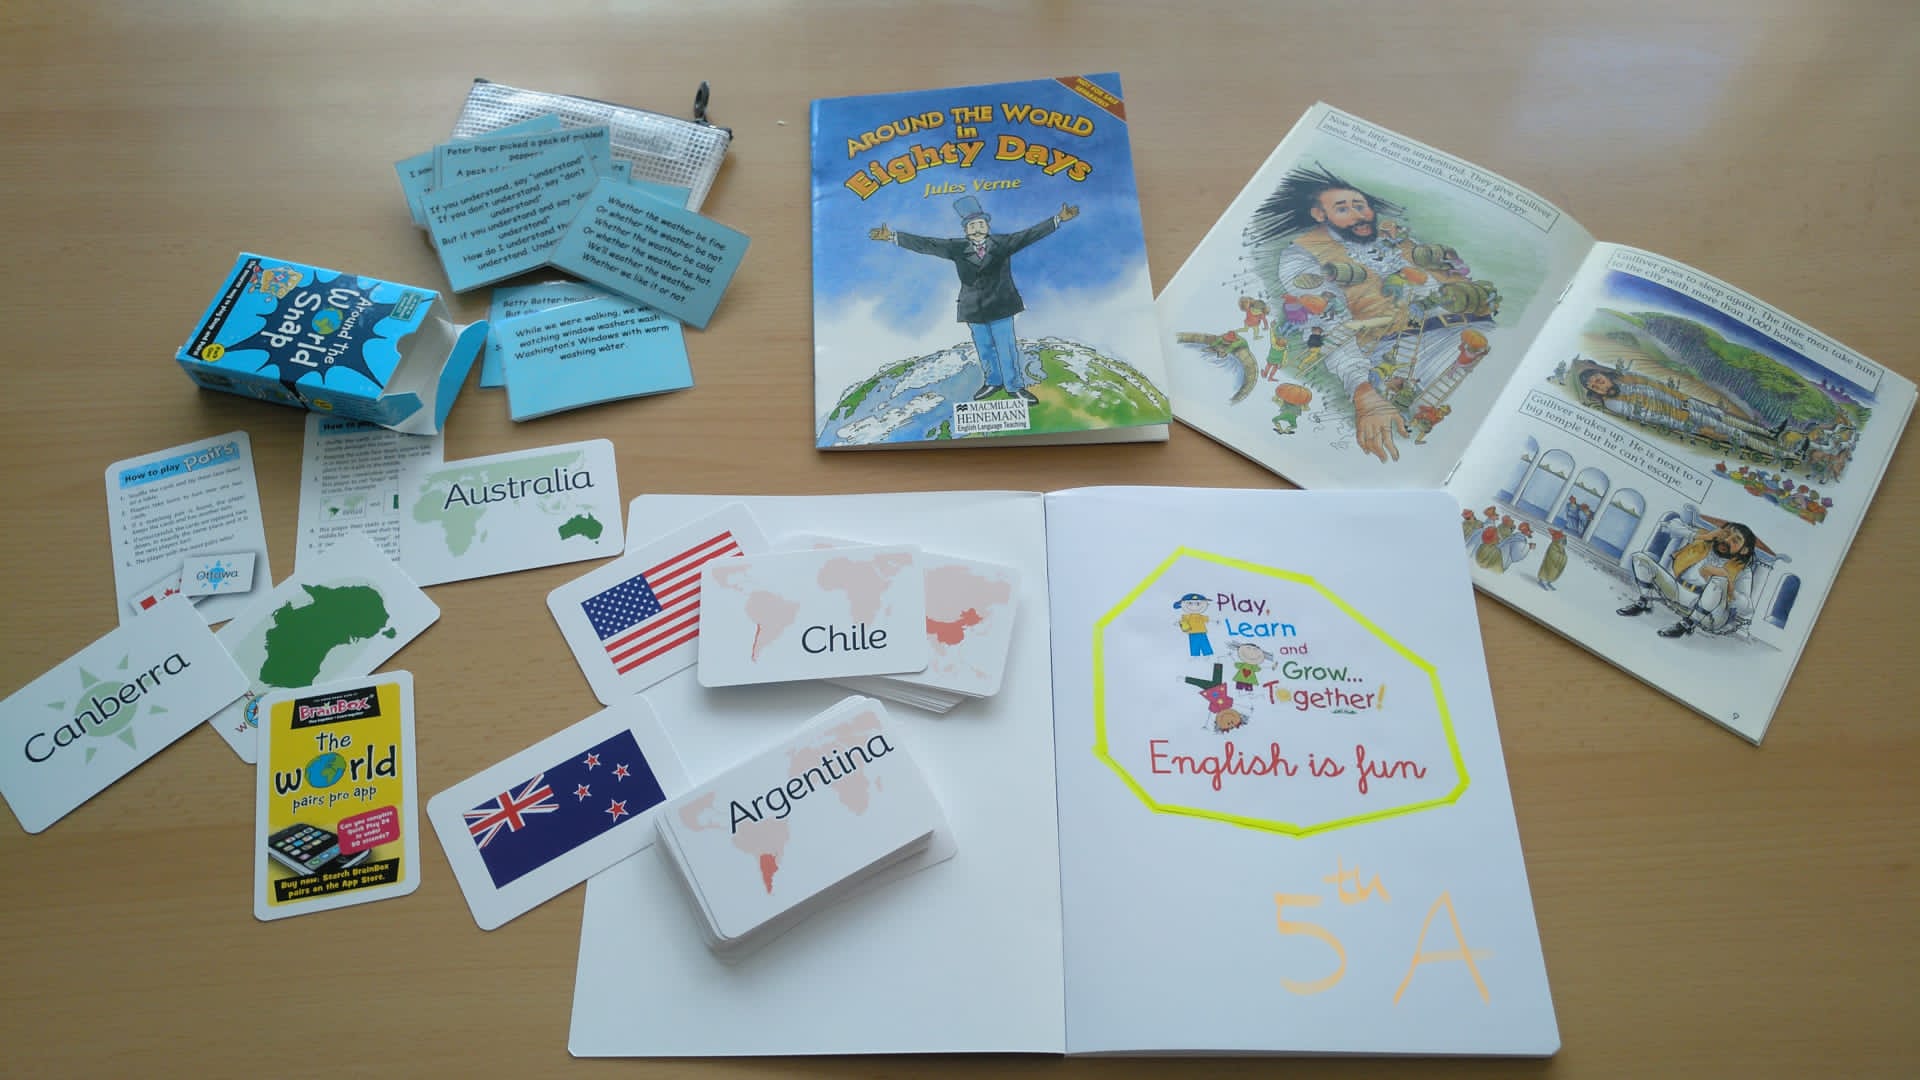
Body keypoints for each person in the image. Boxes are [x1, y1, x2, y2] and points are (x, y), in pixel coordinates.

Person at [1246, 165, 1497, 463]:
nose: (1359, 215)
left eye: (1361, 206)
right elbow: (1327, 326)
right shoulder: (1302, 256)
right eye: (1343, 208)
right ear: (1319, 214)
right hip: (1413, 352)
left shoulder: (1394, 236)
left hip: (1478, 327)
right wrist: (1363, 390)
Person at [870, 195, 1078, 403]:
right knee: (984, 349)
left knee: (1006, 348)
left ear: (987, 226)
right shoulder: (957, 248)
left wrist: (1058, 219)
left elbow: (1029, 235)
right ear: (965, 230)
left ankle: (1014, 386)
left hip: (1002, 306)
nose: (977, 229)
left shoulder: (1003, 243)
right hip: (973, 309)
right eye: (972, 225)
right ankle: (993, 382)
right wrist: (892, 236)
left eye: (980, 224)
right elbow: (927, 244)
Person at [1617, 515, 1763, 637]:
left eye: (1735, 540)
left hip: (1708, 613)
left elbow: (1747, 608)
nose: (1727, 540)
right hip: (1679, 590)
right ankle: (1645, 601)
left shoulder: (1743, 570)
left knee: (1719, 581)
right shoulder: (1703, 541)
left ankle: (1687, 624)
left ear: (1744, 550)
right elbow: (1673, 525)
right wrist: (1703, 536)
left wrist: (1727, 581)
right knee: (1640, 558)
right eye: (1725, 534)